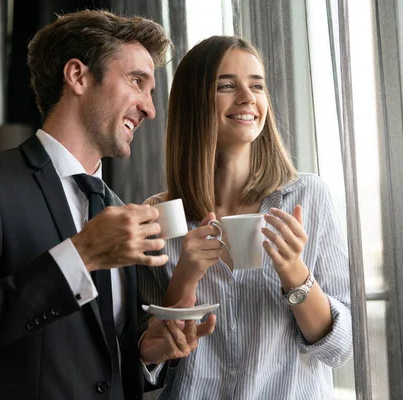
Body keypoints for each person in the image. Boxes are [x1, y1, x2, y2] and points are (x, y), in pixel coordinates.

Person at [0, 9, 214, 400]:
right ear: (78, 76)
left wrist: (146, 352)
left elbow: (100, 358)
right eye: (137, 81)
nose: (150, 108)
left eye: (151, 92)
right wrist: (81, 254)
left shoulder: (117, 209)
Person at [138, 35, 352, 399]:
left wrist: (294, 274)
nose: (247, 97)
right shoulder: (158, 217)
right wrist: (185, 277)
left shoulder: (308, 197)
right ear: (194, 102)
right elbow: (149, 364)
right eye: (226, 86)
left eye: (257, 85)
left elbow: (339, 350)